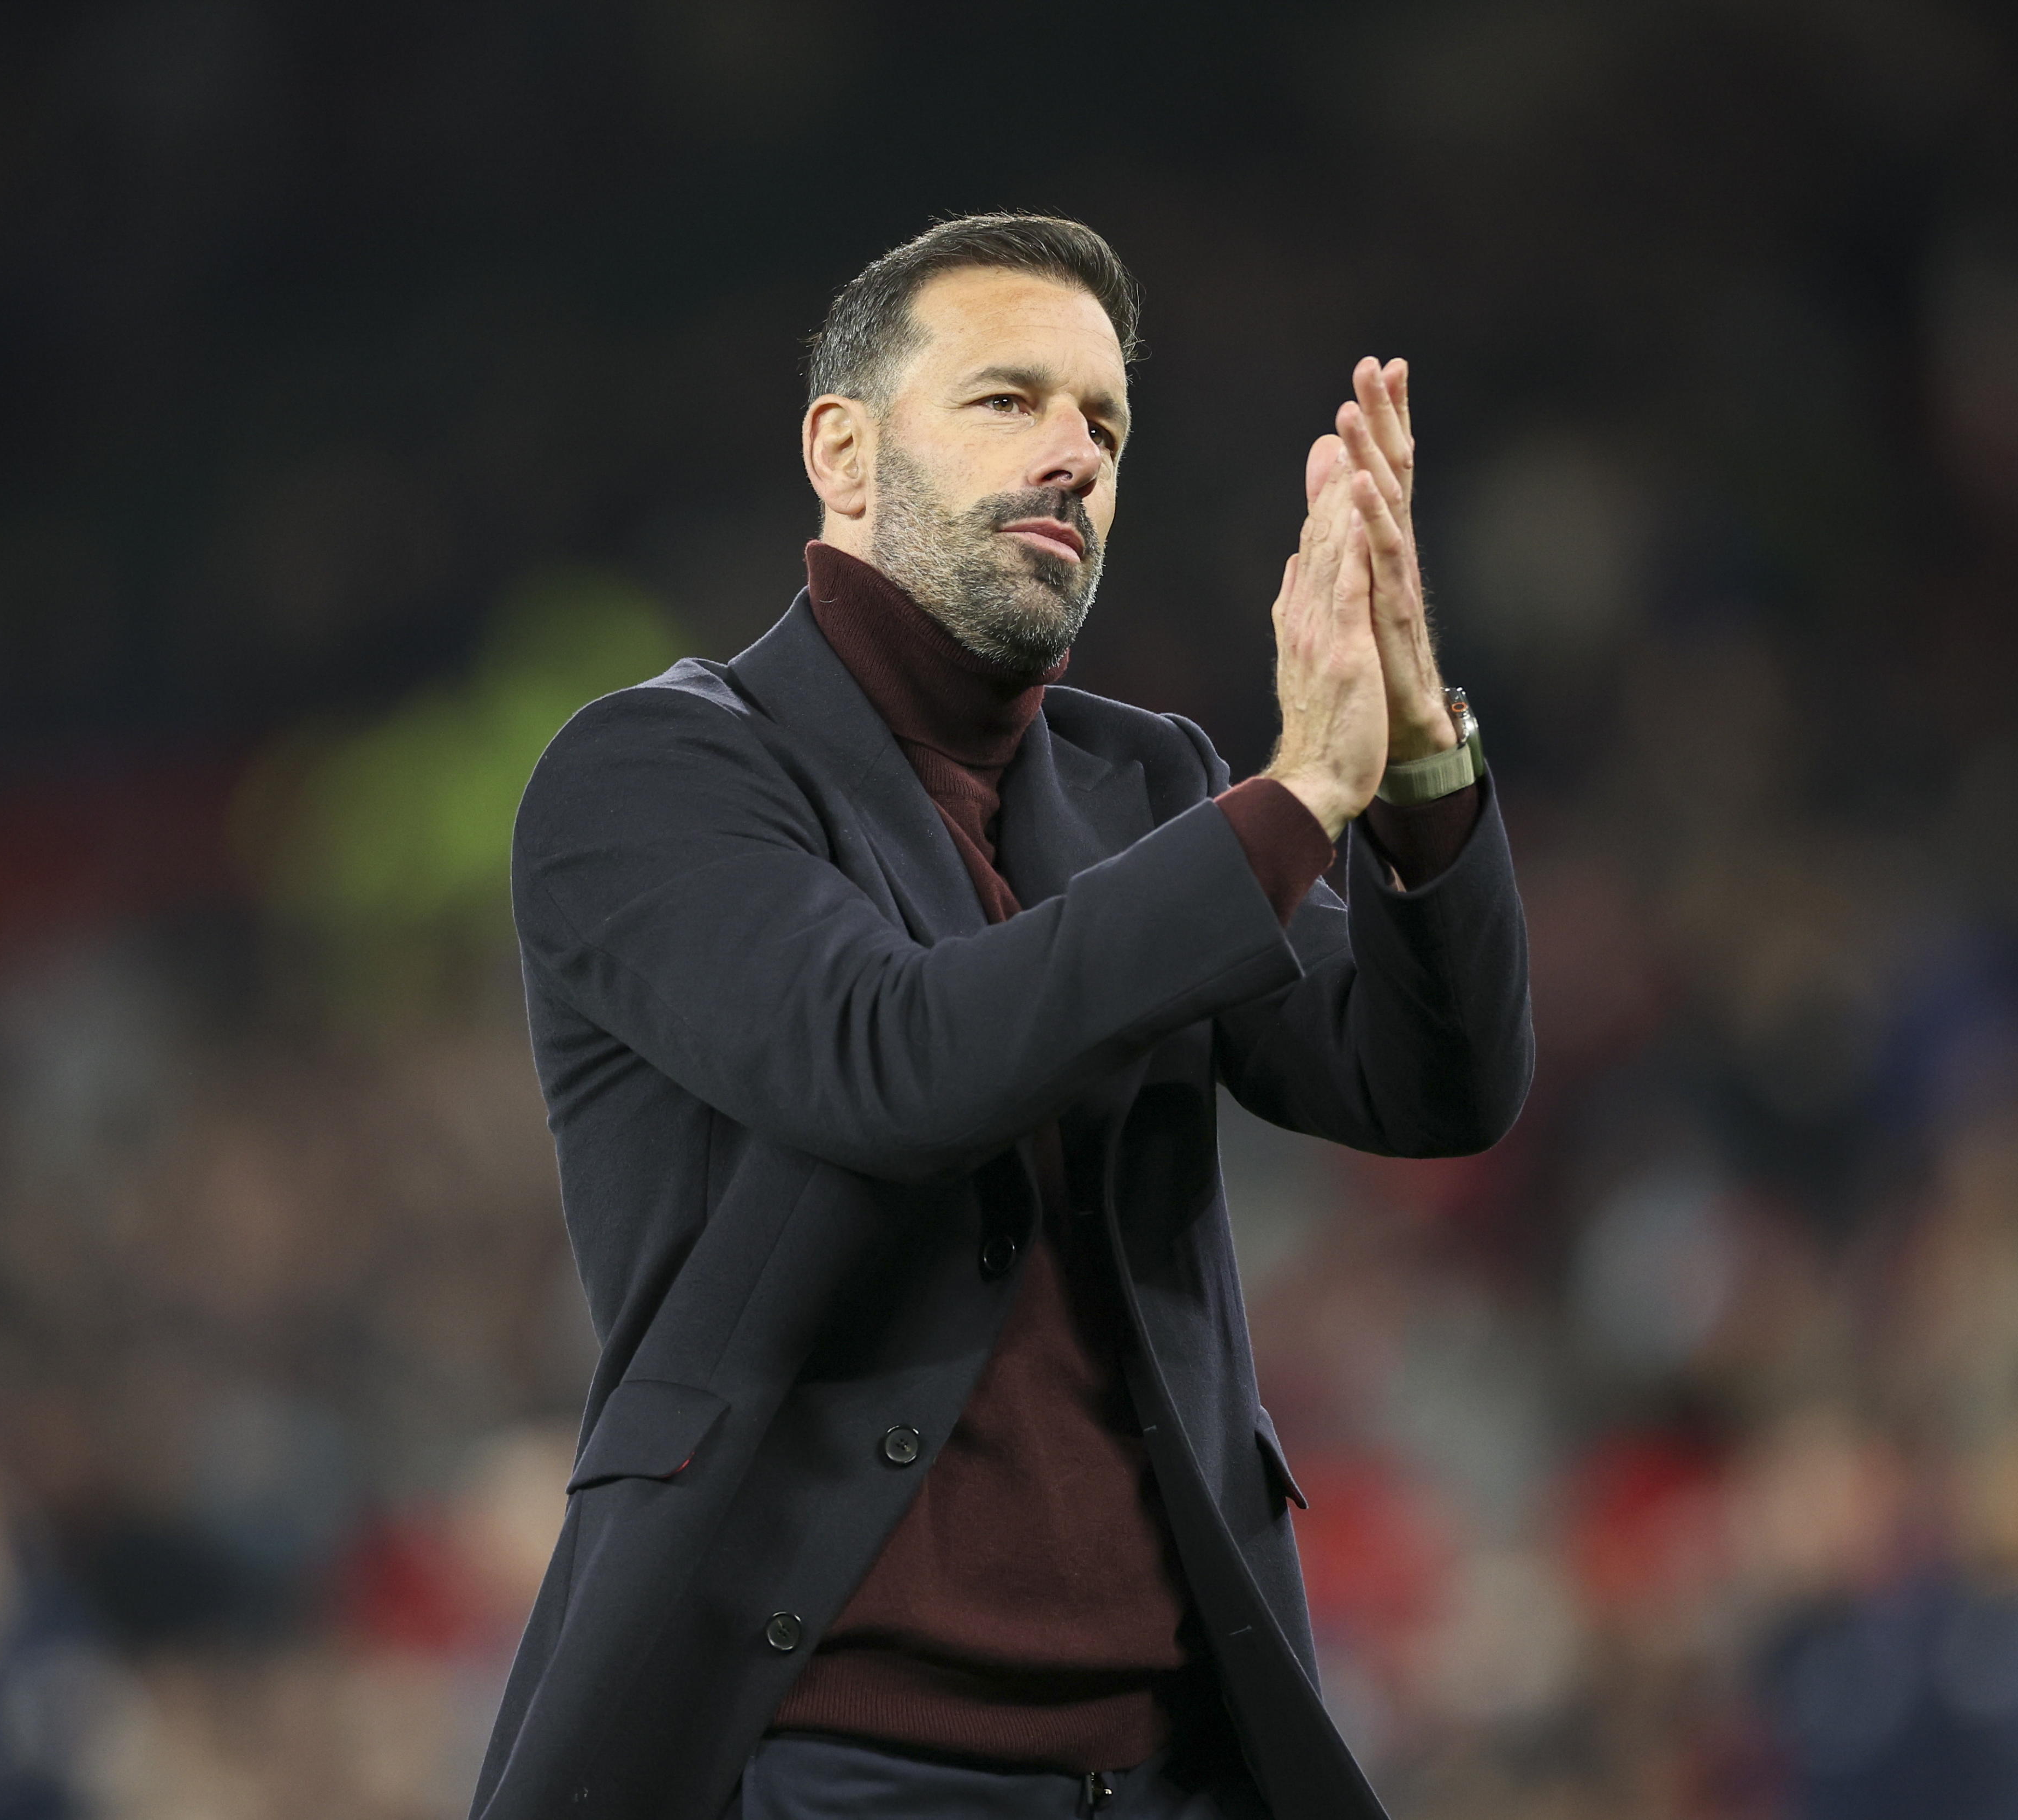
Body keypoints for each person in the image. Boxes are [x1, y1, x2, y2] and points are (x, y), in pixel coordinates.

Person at [469, 215, 1533, 1819]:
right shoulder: (656, 776)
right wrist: (1299, 791)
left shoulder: (1149, 787)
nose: (1072, 456)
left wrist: (1416, 752)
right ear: (844, 450)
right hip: (834, 1764)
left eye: (1104, 422)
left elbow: (1429, 1086)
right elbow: (891, 1060)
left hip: (1178, 1762)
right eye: (1007, 401)